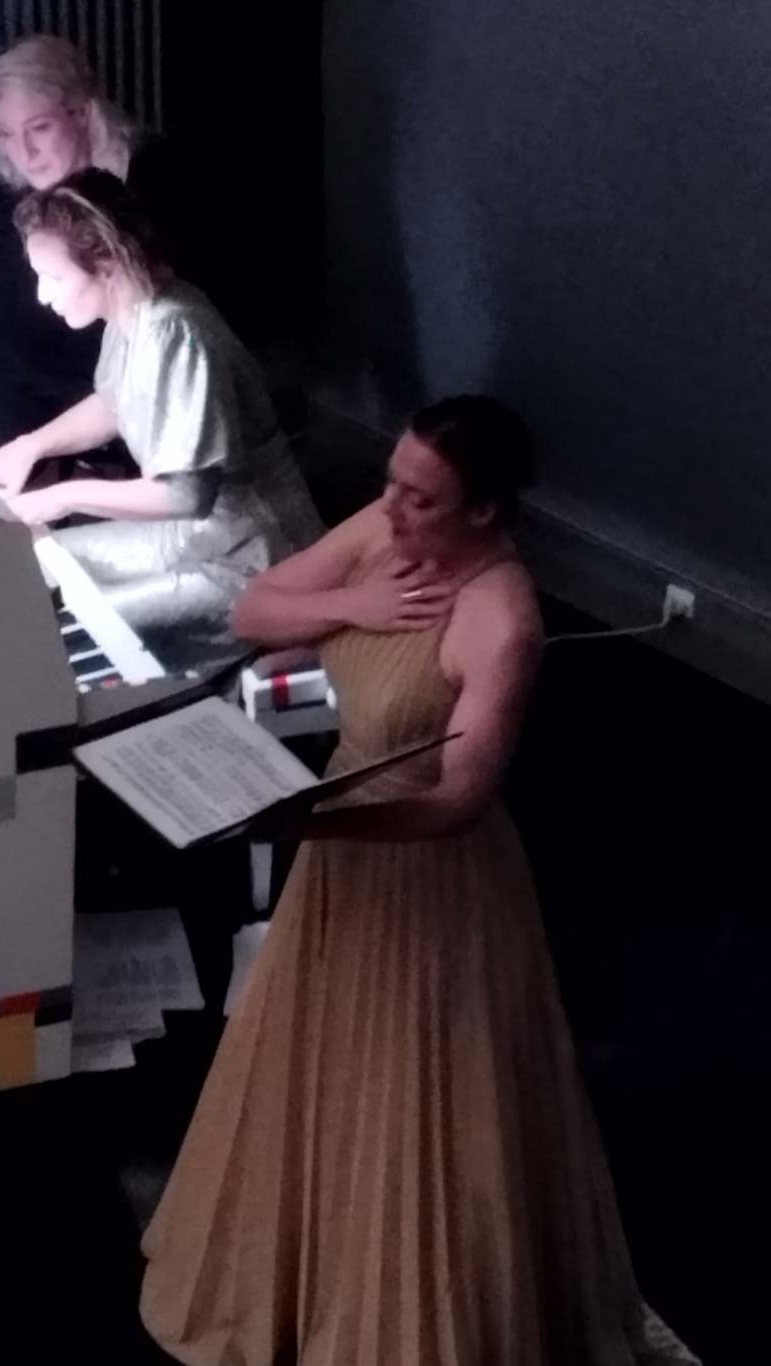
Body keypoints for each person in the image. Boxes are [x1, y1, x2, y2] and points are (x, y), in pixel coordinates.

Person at [139, 397, 700, 1364]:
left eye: (421, 498)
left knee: (421, 1102)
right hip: (339, 854)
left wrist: (316, 822)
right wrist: (348, 608)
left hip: (426, 876)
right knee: (320, 1069)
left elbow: (456, 800)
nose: (393, 507)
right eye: (392, 484)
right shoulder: (385, 526)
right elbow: (253, 608)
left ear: (482, 510)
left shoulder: (502, 620)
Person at [0, 172, 322, 673]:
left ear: (106, 263)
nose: (41, 296)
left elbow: (186, 495)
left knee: (52, 618)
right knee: (35, 568)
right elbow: (115, 403)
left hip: (253, 564)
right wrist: (31, 446)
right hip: (197, 539)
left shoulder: (176, 331)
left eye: (53, 278)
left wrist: (61, 497)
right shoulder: (134, 310)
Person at [0, 34, 187, 450]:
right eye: (5, 133)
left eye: (40, 128)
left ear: (83, 113)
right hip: (22, 362)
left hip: (115, 378)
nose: (25, 153)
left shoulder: (148, 185)